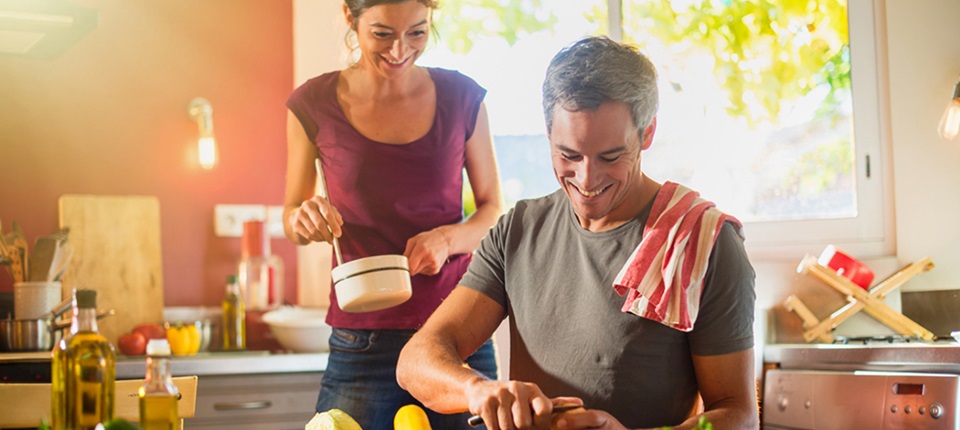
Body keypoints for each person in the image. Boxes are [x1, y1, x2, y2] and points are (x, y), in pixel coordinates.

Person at [396, 36, 759, 430]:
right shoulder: (518, 231)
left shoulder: (703, 242)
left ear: (647, 133)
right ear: (548, 135)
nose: (587, 179)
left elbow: (738, 414)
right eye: (568, 155)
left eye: (610, 156)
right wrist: (477, 390)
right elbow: (416, 359)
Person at [282, 0, 503, 428]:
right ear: (350, 17)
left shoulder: (463, 98)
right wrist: (303, 219)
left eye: (417, 33)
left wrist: (447, 239)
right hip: (362, 338)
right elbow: (292, 215)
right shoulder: (312, 103)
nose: (400, 49)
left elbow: (494, 210)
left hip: (458, 329)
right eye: (382, 33)